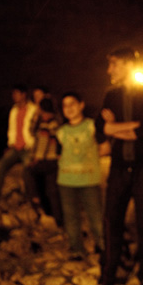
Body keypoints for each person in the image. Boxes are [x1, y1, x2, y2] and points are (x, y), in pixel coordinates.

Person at [94, 47, 143, 285]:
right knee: (112, 220)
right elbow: (101, 128)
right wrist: (120, 128)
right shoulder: (110, 96)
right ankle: (109, 278)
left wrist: (115, 126)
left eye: (113, 64)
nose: (109, 70)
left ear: (127, 65)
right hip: (119, 167)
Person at [56, 92, 110, 259]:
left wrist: (88, 161)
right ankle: (76, 249)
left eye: (72, 104)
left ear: (81, 105)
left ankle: (103, 247)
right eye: (65, 105)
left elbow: (105, 148)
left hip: (89, 179)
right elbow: (59, 154)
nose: (69, 108)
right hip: (66, 180)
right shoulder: (61, 132)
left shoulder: (92, 126)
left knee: (96, 217)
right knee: (71, 218)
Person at [0, 84, 38, 204]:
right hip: (15, 148)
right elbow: (12, 129)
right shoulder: (14, 110)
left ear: (23, 94)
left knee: (28, 170)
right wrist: (10, 144)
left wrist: (33, 146)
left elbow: (36, 130)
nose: (13, 96)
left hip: (28, 147)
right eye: (13, 94)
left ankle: (32, 197)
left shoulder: (33, 109)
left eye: (16, 93)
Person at [23, 97, 63, 226]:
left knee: (28, 171)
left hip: (47, 159)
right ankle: (58, 219)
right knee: (52, 190)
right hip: (54, 160)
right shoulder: (55, 122)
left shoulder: (47, 123)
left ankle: (35, 199)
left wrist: (37, 158)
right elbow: (32, 131)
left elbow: (44, 142)